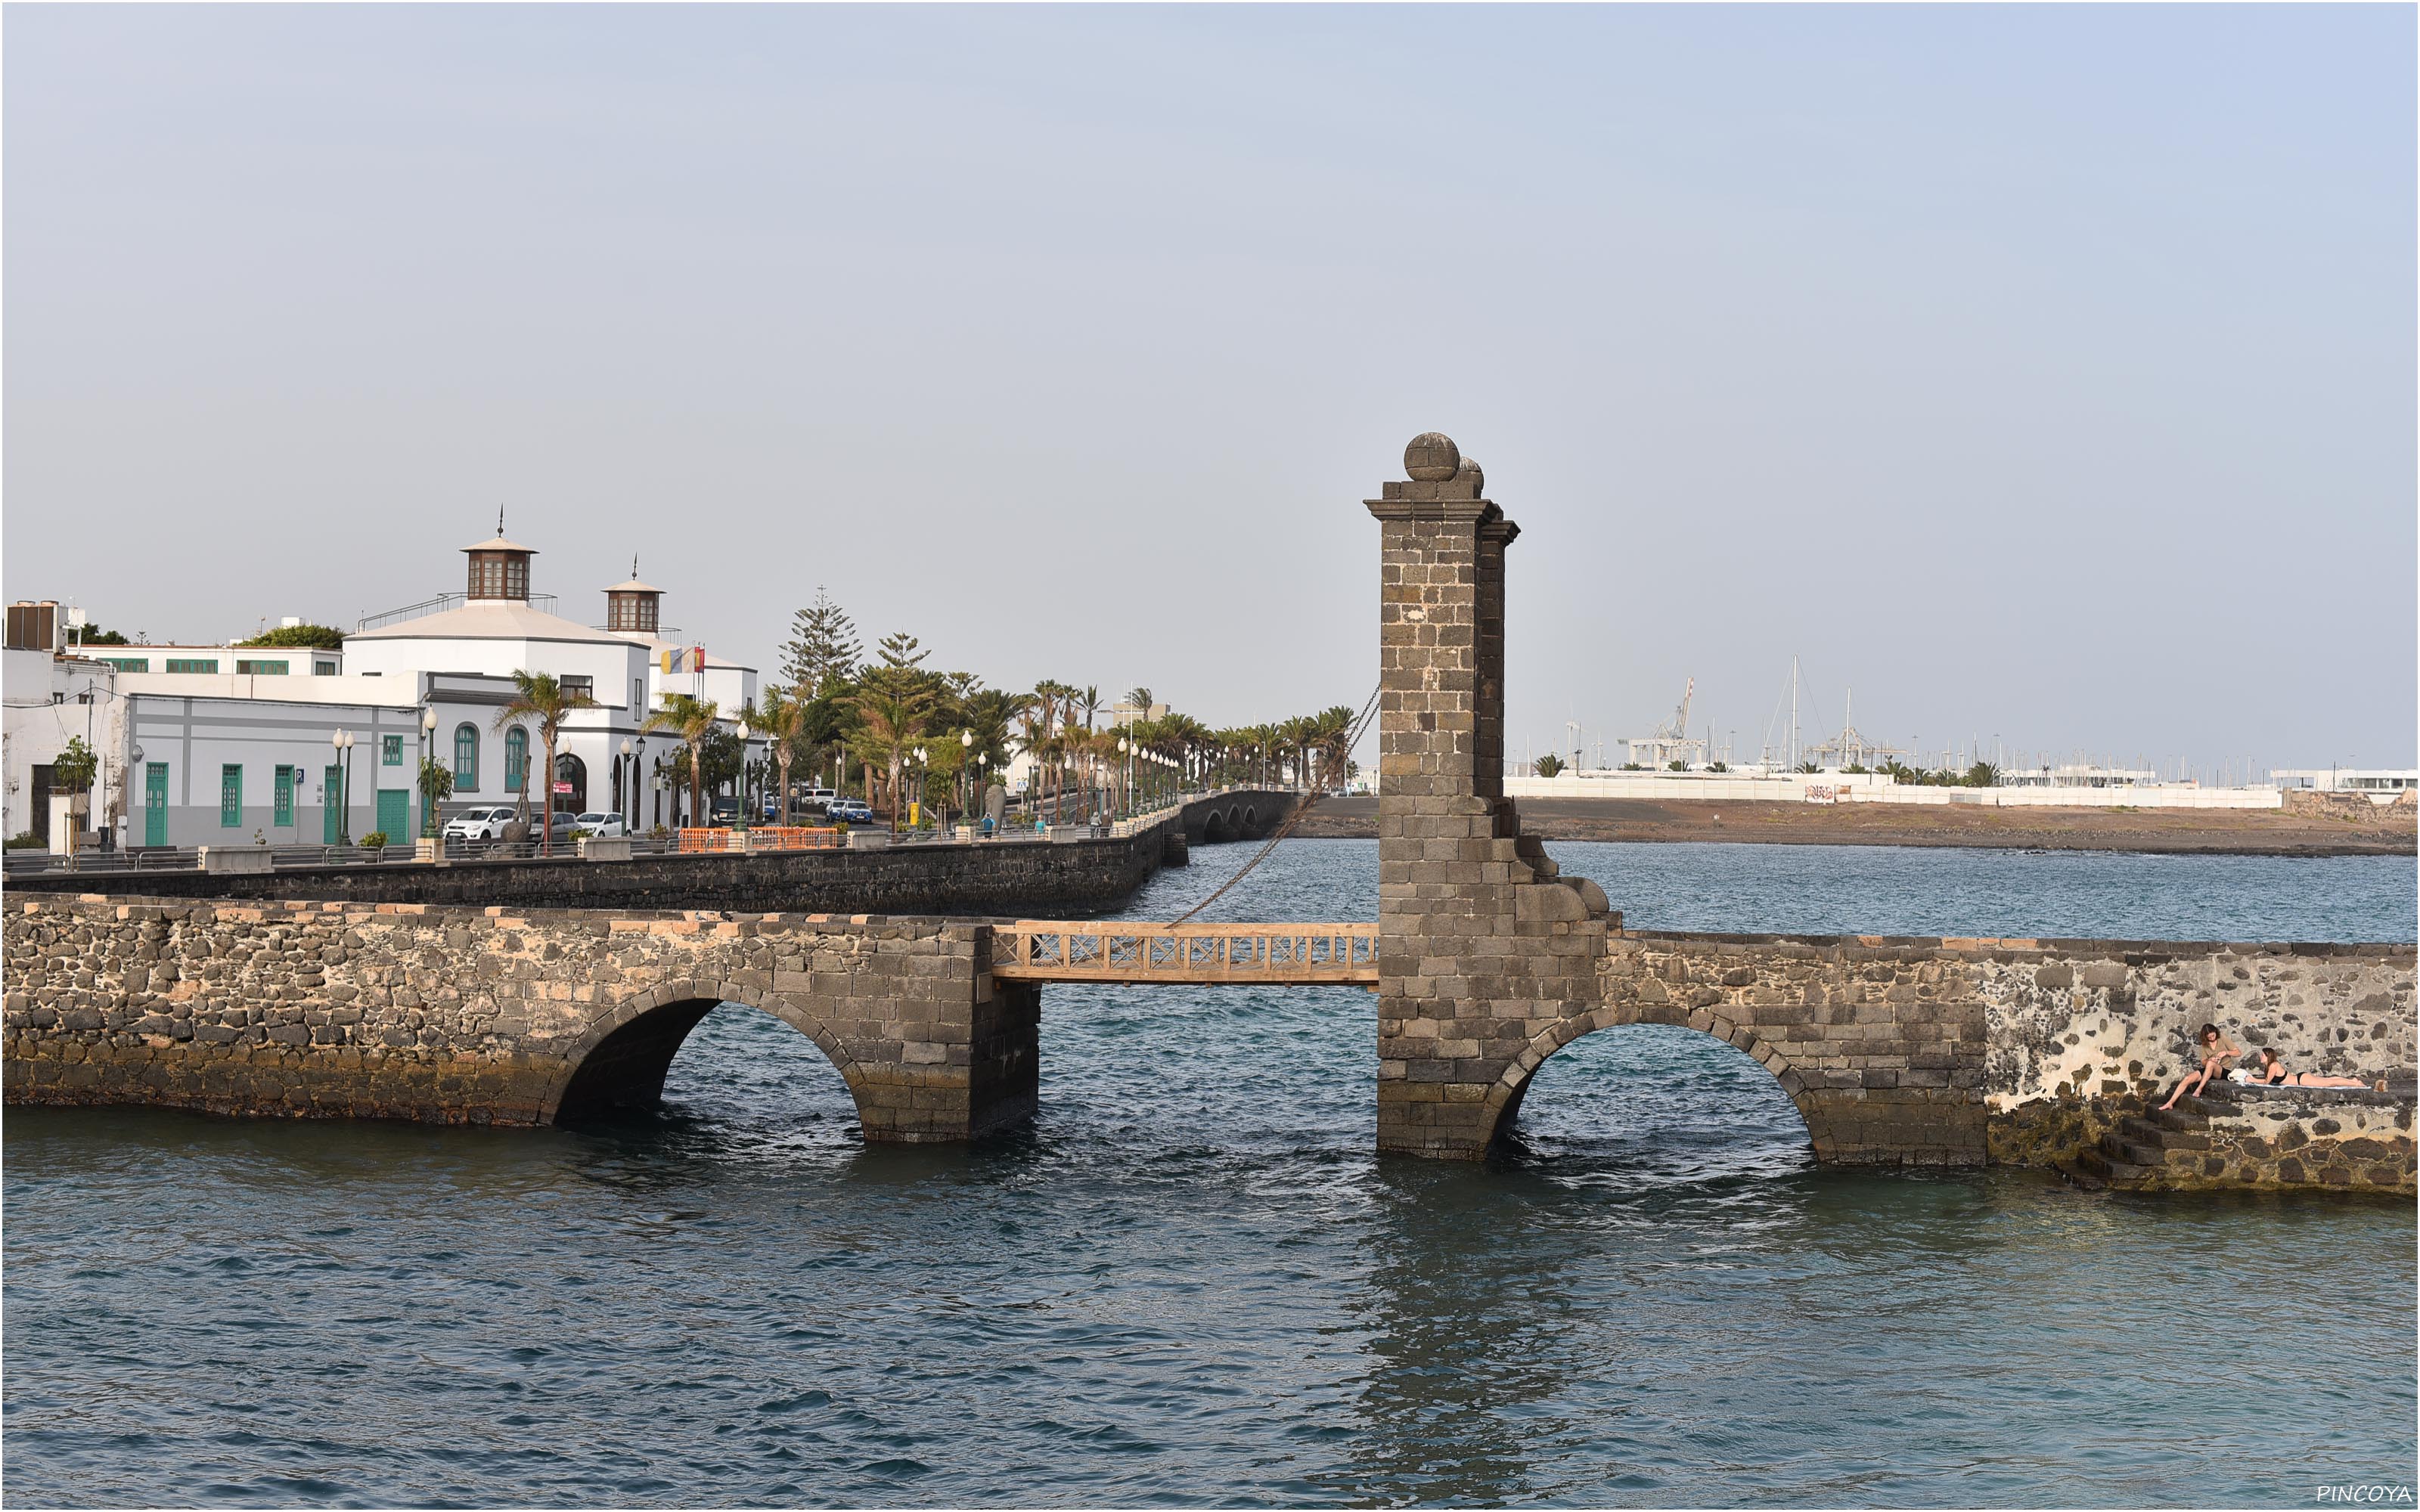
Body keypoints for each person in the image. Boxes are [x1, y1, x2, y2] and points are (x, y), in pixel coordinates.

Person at [2159, 1023, 2241, 1111]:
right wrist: (2211, 1060)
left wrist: (2226, 1052)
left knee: (2210, 1064)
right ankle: (2170, 1103)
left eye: (2213, 1036)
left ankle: (2199, 1089)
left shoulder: (2222, 1038)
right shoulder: (2205, 1044)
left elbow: (2238, 1053)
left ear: (2215, 1032)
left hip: (2224, 1071)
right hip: (2209, 1069)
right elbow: (2203, 1062)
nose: (2212, 1039)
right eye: (2209, 1038)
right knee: (2188, 1078)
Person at [2252, 1047, 2378, 1090]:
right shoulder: (2270, 1066)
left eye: (2263, 1055)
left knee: (2330, 1083)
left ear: (2268, 1056)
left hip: (2301, 1081)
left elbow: (2266, 1082)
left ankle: (2355, 1084)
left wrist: (2250, 1079)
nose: (2261, 1057)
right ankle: (2353, 1081)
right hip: (2301, 1078)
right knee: (2328, 1080)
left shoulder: (2273, 1065)